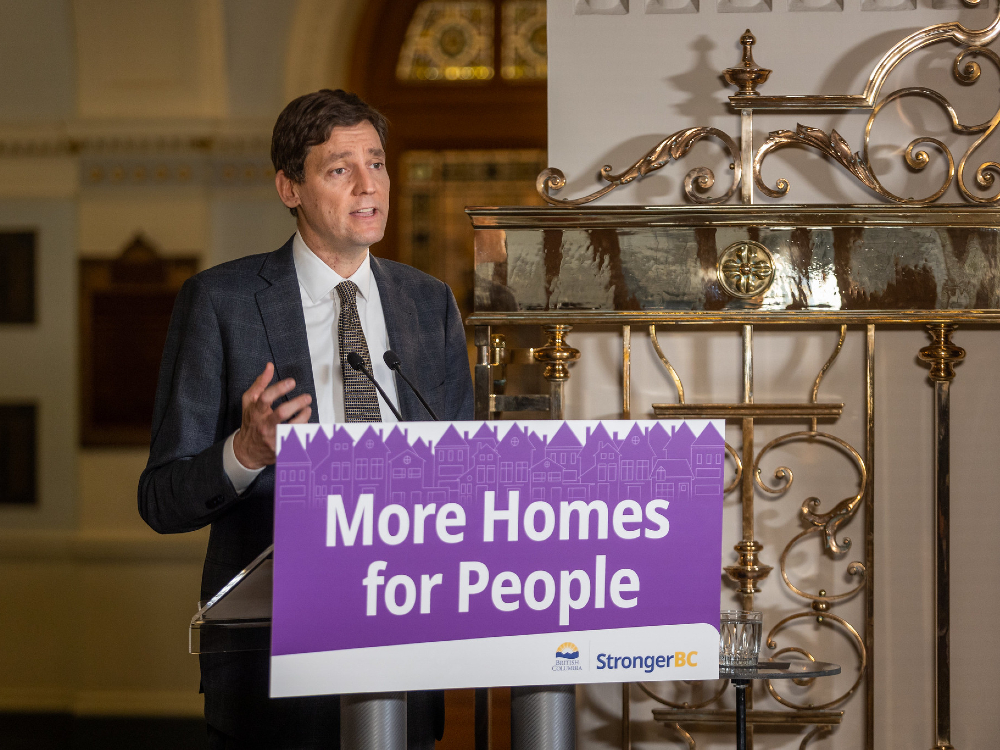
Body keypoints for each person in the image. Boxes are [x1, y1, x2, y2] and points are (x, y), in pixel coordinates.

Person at [139, 89, 474, 749]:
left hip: (407, 649)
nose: (368, 185)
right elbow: (161, 498)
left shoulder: (428, 304)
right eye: (338, 168)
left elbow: (463, 470)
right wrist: (245, 451)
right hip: (273, 670)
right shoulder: (220, 302)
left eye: (376, 163)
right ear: (289, 187)